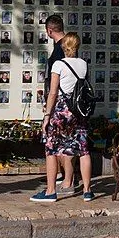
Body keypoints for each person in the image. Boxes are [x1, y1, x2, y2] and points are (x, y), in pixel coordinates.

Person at [31, 31, 94, 202]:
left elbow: (52, 93)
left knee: (51, 149)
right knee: (83, 149)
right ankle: (87, 191)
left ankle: (51, 191)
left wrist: (46, 116)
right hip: (78, 111)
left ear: (63, 47)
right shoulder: (83, 64)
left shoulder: (58, 65)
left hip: (60, 111)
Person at [41, 14, 76, 196]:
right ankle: (67, 179)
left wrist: (48, 109)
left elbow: (56, 85)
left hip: (60, 105)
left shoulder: (60, 50)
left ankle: (67, 181)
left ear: (49, 30)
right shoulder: (68, 46)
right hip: (66, 104)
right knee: (67, 143)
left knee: (60, 144)